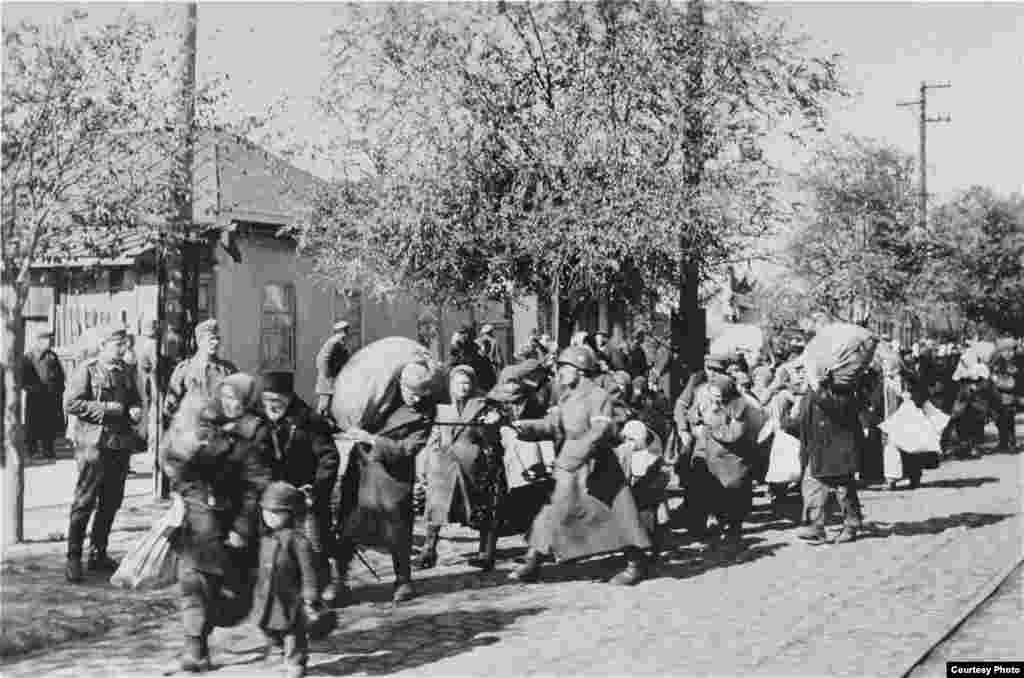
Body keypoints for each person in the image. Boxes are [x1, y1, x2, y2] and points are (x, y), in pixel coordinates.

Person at [510, 346, 653, 586]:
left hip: (597, 466)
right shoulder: (567, 396)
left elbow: (599, 432)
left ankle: (636, 564)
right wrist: (524, 427)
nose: (560, 373)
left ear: (581, 370)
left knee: (620, 516)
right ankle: (533, 562)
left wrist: (574, 456)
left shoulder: (599, 397)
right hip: (569, 466)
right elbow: (553, 424)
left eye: (564, 368)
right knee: (551, 512)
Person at [162, 373, 272, 673]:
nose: (230, 404)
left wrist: (242, 528)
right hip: (199, 526)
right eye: (225, 398)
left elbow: (256, 485)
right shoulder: (198, 432)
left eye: (235, 399)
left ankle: (207, 639)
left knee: (230, 592)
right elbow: (177, 466)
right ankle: (195, 649)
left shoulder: (253, 434)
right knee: (194, 583)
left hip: (232, 523)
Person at [333, 362, 438, 604]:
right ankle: (340, 580)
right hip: (362, 468)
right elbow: (357, 410)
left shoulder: (425, 411)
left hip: (394, 474)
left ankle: (403, 580)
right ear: (400, 385)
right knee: (349, 523)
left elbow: (408, 448)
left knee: (397, 527)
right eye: (411, 392)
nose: (415, 398)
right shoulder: (380, 397)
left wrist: (371, 439)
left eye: (420, 393)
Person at [63, 328, 143, 582]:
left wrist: (135, 410)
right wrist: (107, 408)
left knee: (111, 501)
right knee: (85, 501)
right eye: (117, 344)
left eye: (124, 344)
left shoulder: (126, 372)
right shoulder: (87, 370)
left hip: (119, 446)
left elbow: (134, 399)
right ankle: (73, 557)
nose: (122, 349)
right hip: (93, 446)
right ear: (103, 345)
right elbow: (72, 404)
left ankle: (98, 553)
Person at [260, 371, 340, 601]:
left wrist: (315, 488)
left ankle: (322, 585)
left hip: (305, 494)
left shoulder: (310, 422)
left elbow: (329, 458)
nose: (271, 406)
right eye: (267, 400)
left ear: (289, 397)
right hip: (272, 496)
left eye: (277, 400)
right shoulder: (258, 420)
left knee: (314, 542)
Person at [417, 365, 503, 571]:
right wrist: (426, 462)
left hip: (472, 464)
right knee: (436, 505)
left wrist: (492, 424)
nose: (463, 387)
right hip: (444, 464)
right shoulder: (441, 409)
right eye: (458, 383)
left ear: (473, 385)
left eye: (466, 383)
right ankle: (428, 550)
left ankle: (486, 552)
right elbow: (434, 438)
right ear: (450, 386)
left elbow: (492, 436)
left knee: (482, 507)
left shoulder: (481, 406)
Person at [785, 374, 866, 544]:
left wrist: (816, 390)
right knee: (811, 487)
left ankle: (852, 524)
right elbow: (805, 419)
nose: (801, 374)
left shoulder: (843, 386)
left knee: (843, 489)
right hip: (816, 449)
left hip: (838, 449)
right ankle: (815, 527)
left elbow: (838, 408)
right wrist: (788, 425)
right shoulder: (810, 391)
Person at [680, 373, 758, 551]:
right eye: (712, 395)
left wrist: (711, 425)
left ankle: (734, 537)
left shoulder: (740, 406)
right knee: (713, 495)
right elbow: (694, 412)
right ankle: (719, 531)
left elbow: (733, 434)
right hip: (711, 457)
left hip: (732, 461)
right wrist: (695, 418)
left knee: (734, 499)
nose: (715, 399)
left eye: (718, 395)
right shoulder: (709, 398)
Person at [254, 481, 321, 678]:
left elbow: (308, 570)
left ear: (290, 514)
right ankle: (281, 647)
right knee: (266, 625)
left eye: (276, 513)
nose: (270, 517)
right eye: (267, 512)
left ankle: (295, 662)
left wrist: (310, 593)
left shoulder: (298, 541)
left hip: (291, 597)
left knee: (293, 631)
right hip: (268, 596)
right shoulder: (266, 537)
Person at [616, 420, 670, 561]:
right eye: (626, 439)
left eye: (632, 439)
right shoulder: (624, 453)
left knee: (650, 525)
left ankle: (651, 551)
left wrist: (655, 487)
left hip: (650, 497)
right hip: (634, 495)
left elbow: (663, 475)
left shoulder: (651, 455)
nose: (628, 442)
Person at [164, 319, 237, 422]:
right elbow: (170, 407)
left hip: (219, 431)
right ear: (200, 341)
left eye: (217, 339)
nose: (215, 343)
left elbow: (238, 403)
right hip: (192, 431)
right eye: (211, 339)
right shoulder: (185, 369)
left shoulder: (228, 370)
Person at [21, 330, 65, 460]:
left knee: (49, 425)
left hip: (51, 397)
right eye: (47, 339)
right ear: (39, 341)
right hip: (35, 397)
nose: (50, 342)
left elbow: (60, 375)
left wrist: (60, 389)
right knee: (33, 425)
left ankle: (48, 450)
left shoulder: (52, 356)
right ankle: (31, 450)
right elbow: (22, 377)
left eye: (50, 339)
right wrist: (30, 388)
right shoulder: (28, 357)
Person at [315, 321, 352, 418]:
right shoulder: (334, 342)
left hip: (334, 379)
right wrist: (328, 375)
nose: (346, 333)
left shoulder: (339, 342)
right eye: (345, 331)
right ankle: (318, 425)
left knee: (330, 405)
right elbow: (322, 359)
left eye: (346, 331)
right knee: (324, 405)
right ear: (340, 331)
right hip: (328, 381)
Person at [990, 338, 1019, 452]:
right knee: (999, 419)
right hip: (997, 394)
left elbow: (1017, 379)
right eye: (1005, 351)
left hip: (1010, 395)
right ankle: (1003, 441)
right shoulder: (996, 363)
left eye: (1011, 350)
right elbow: (991, 374)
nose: (1008, 353)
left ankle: (1011, 441)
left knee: (1009, 419)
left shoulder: (1016, 363)